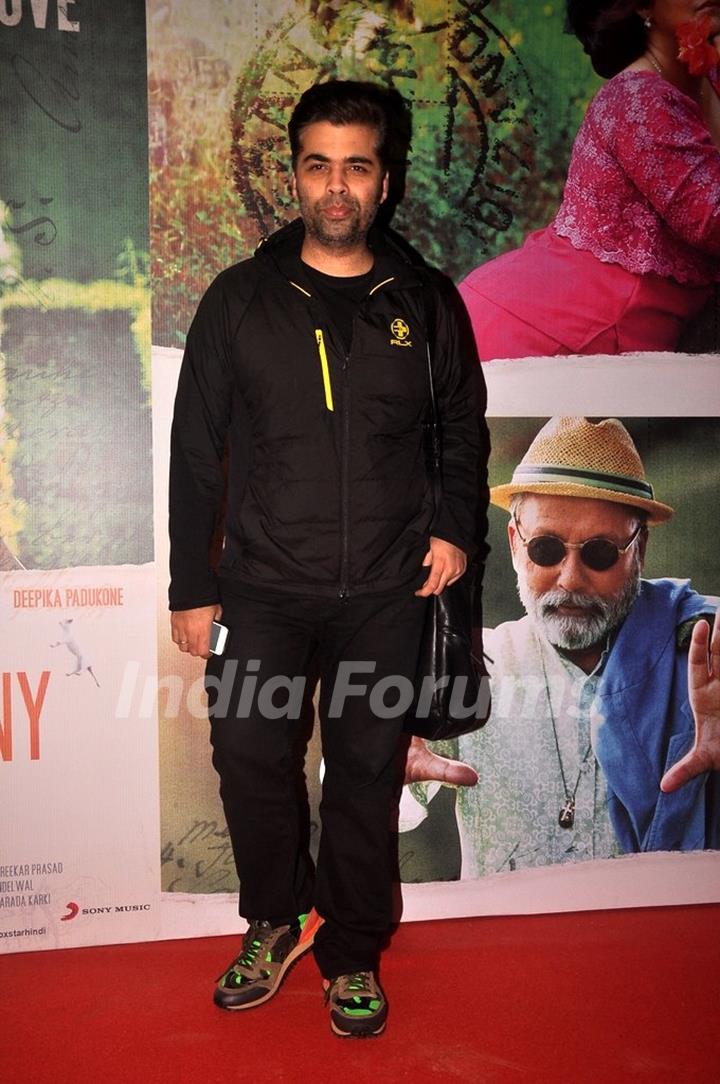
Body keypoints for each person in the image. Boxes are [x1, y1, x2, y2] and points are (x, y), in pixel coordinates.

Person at [168, 79, 486, 1037]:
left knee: (362, 772)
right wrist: (193, 585)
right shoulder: (239, 301)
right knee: (246, 752)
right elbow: (195, 449)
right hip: (263, 588)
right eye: (318, 165)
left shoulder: (425, 303)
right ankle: (279, 916)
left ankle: (351, 952)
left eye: (356, 165)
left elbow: (461, 430)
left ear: (383, 180)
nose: (336, 186)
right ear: (294, 176)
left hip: (385, 593)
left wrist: (456, 530)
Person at [405, 417, 719, 875]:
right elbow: (379, 800)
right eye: (547, 550)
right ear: (515, 544)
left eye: (600, 553)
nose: (571, 579)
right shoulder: (468, 667)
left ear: (640, 549)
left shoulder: (702, 651)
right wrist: (370, 762)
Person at [459, 2, 720, 360]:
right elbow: (711, 222)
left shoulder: (707, 75)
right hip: (563, 324)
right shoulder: (637, 100)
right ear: (644, 4)